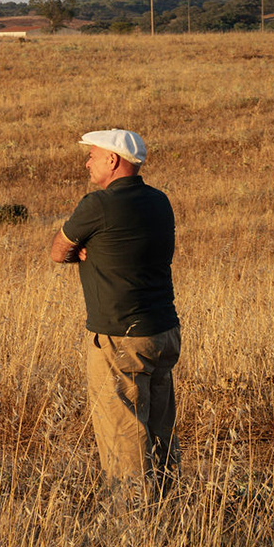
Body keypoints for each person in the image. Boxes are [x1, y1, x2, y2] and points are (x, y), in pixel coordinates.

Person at [48, 129, 180, 502]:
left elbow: (59, 251)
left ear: (113, 160)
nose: (87, 162)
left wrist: (81, 250)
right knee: (159, 431)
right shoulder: (160, 201)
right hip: (163, 330)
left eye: (92, 155)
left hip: (120, 336)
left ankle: (135, 529)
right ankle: (173, 511)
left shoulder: (98, 204)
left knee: (123, 437)